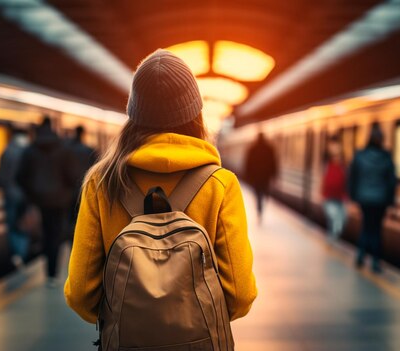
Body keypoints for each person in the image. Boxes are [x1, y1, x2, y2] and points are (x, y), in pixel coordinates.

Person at [65, 50, 257, 348]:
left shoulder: (101, 183)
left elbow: (80, 296)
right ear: (195, 113)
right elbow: (240, 296)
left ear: (134, 114)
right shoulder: (220, 185)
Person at [17, 118, 80, 286]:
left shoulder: (29, 151)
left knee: (45, 234)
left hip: (39, 201)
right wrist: (68, 194)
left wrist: (31, 195)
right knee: (56, 234)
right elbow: (73, 177)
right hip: (60, 200)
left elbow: (20, 177)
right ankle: (53, 273)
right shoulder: (64, 150)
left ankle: (48, 272)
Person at [348, 123, 397, 273]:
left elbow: (352, 177)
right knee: (376, 230)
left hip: (364, 198)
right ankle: (375, 262)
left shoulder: (360, 155)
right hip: (380, 199)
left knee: (365, 227)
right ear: (382, 141)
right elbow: (391, 182)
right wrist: (391, 202)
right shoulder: (386, 157)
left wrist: (353, 197)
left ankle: (360, 256)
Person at [0, 132, 30, 268]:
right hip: (24, 196)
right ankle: (22, 253)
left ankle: (16, 254)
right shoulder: (27, 153)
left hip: (9, 195)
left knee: (11, 225)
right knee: (23, 224)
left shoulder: (6, 152)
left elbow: (0, 179)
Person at [66, 125, 98, 243]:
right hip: (85, 190)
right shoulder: (89, 151)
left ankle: (71, 242)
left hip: (69, 192)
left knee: (71, 220)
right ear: (83, 134)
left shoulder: (67, 150)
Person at [244, 131, 278, 223]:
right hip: (265, 176)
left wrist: (247, 175)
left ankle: (259, 207)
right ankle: (261, 205)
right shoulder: (269, 148)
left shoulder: (253, 148)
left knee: (257, 193)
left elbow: (248, 163)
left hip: (256, 176)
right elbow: (274, 163)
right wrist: (274, 175)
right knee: (263, 191)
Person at [321, 136, 347, 244]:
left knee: (339, 219)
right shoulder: (327, 162)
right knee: (332, 217)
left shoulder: (341, 163)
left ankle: (333, 235)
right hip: (329, 195)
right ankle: (332, 236)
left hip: (339, 196)